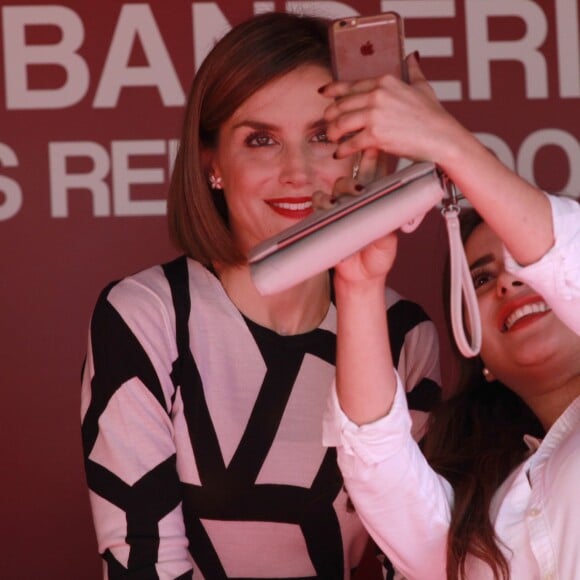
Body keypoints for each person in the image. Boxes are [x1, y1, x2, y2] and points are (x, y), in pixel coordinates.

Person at [80, 11, 442, 579]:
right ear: (212, 163)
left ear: (360, 148)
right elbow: (143, 563)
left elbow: (422, 557)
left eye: (323, 136)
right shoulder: (146, 317)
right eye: (262, 139)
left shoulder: (405, 335)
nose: (297, 171)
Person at [320, 46, 580, 579]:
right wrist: (359, 286)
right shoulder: (475, 518)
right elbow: (379, 469)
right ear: (477, 352)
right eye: (481, 278)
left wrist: (446, 143)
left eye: (525, 261)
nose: (509, 279)